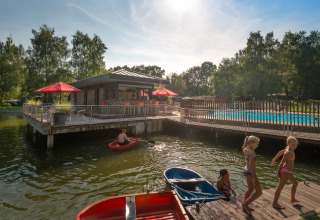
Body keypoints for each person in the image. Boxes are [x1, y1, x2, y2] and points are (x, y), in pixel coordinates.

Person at [272, 136, 299, 209]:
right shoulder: (289, 152)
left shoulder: (289, 149)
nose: (295, 146)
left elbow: (280, 152)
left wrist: (274, 159)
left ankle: (292, 199)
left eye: (296, 145)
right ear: (288, 143)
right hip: (285, 171)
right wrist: (278, 173)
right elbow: (281, 164)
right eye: (293, 144)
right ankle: (275, 203)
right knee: (279, 187)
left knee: (295, 183)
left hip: (288, 171)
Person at [242, 135, 262, 216]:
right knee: (259, 192)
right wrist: (255, 177)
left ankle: (245, 205)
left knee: (250, 189)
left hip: (245, 170)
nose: (257, 145)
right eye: (256, 144)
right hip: (250, 172)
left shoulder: (246, 149)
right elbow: (251, 166)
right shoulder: (252, 152)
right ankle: (245, 205)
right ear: (251, 143)